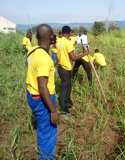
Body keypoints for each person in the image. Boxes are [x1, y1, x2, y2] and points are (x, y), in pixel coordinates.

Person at [26, 24, 59, 159]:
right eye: (53, 34)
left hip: (32, 95)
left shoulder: (33, 50)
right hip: (43, 98)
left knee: (43, 130)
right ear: (51, 37)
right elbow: (42, 86)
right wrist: (53, 111)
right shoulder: (44, 59)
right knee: (48, 133)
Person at [56, 26, 89, 113]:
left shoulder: (59, 41)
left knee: (68, 86)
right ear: (69, 32)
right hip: (65, 68)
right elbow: (74, 58)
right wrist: (84, 53)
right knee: (65, 88)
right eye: (71, 32)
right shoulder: (68, 43)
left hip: (60, 67)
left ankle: (67, 102)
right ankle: (63, 108)